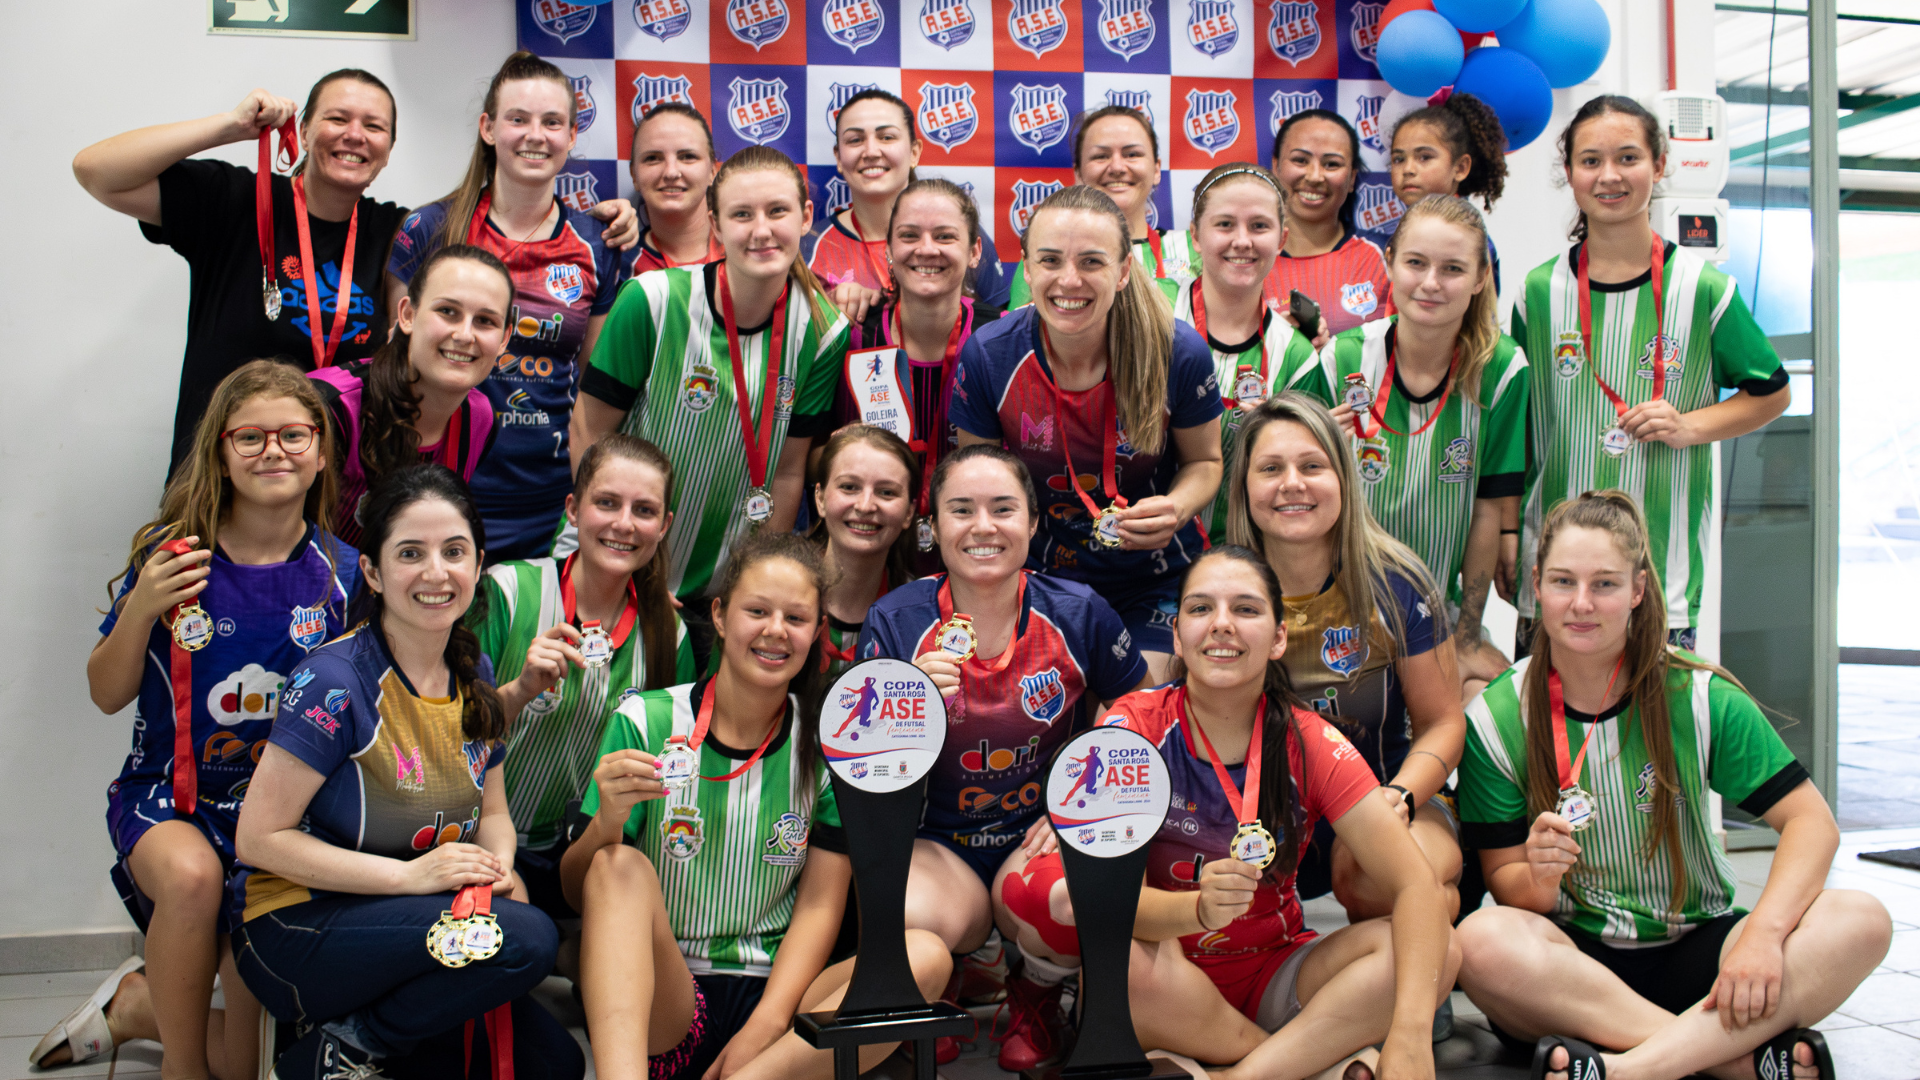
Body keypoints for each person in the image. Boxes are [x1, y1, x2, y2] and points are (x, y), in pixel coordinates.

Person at [1455, 490, 1889, 1080]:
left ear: (1637, 590)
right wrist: (1540, 873)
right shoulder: (1495, 718)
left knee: (1861, 919)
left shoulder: (1700, 696)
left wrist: (1761, 935)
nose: (1581, 604)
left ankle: (1626, 1070)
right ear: (1536, 585)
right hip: (1577, 965)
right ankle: (1728, 1061)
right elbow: (1514, 894)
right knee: (1482, 941)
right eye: (1562, 582)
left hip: (1703, 950)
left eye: (1605, 584)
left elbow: (1812, 824)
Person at [998, 546, 1459, 1080]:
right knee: (1114, 961)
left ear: (1279, 637)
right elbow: (1096, 904)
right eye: (1199, 609)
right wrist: (1196, 910)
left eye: (1245, 609)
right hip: (1168, 980)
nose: (1221, 625)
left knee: (1439, 951)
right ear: (1176, 635)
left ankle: (1231, 1075)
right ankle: (1299, 1063)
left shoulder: (1311, 740)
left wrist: (1409, 1038)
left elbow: (1416, 887)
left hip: (1278, 971)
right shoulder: (1135, 730)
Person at [35, 362, 356, 1079]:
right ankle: (180, 1064)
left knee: (245, 1068)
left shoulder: (346, 576)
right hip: (171, 800)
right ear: (220, 451)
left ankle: (143, 1010)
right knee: (192, 879)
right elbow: (105, 694)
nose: (273, 451)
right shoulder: (174, 561)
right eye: (250, 437)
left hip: (282, 816)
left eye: (293, 435)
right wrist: (143, 606)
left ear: (323, 451)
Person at [71, 74, 635, 475]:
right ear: (306, 128)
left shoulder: (399, 232)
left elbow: (492, 262)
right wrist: (230, 125)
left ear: (389, 148)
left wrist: (612, 221)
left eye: (374, 126)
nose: (355, 135)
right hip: (225, 472)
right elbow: (98, 172)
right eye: (337, 119)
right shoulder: (238, 202)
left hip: (340, 488)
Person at [233, 465, 583, 1080]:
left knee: (551, 1065)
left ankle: (346, 1049)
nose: (435, 573)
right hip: (300, 926)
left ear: (478, 564)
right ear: (372, 571)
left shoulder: (471, 676)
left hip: (412, 923)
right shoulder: (334, 680)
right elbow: (258, 838)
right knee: (528, 938)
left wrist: (495, 872)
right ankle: (349, 1046)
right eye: (410, 553)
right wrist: (412, 878)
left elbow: (495, 815)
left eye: (454, 552)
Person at [560, 532, 952, 1080]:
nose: (775, 631)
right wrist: (608, 820)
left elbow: (820, 905)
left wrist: (765, 1028)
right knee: (615, 863)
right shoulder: (644, 721)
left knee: (927, 955)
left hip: (779, 1009)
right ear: (719, 616)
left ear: (817, 631)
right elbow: (580, 890)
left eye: (796, 618)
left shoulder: (829, 742)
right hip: (667, 998)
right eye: (757, 611)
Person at [855, 444, 1149, 1070]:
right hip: (937, 842)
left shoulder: (1078, 610)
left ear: (1034, 522)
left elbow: (1140, 705)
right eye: (961, 510)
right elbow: (864, 767)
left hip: (1036, 835)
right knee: (899, 910)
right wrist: (903, 698)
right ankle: (947, 986)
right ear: (933, 527)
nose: (983, 527)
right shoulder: (895, 619)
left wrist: (1082, 800)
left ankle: (1034, 995)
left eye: (1003, 509)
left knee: (1075, 893)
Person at [1512, 96, 1791, 654]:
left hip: (1662, 579)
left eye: (1628, 158)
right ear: (1568, 174)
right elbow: (1512, 430)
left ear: (1659, 164)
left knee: (1658, 739)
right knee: (1548, 739)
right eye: (1590, 161)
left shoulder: (1704, 290)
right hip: (1555, 580)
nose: (1609, 175)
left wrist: (1689, 426)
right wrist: (1500, 538)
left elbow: (1772, 394)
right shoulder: (1537, 293)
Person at [570, 147, 848, 648]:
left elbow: (786, 473)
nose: (761, 230)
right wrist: (619, 559)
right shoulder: (652, 300)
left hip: (720, 594)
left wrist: (751, 583)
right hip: (616, 567)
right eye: (742, 214)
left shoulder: (826, 332)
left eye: (777, 211)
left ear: (806, 217)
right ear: (715, 225)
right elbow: (589, 433)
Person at [951, 185, 1224, 682]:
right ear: (1027, 271)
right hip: (1040, 580)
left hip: (1156, 577)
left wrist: (1178, 507)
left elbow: (1205, 464)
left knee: (1135, 711)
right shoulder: (991, 355)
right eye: (1050, 260)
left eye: (1092, 262)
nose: (1068, 280)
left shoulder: (1177, 351)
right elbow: (977, 493)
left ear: (1123, 272)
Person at [1226, 394, 1464, 925]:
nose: (1292, 483)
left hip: (1391, 794)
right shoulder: (1222, 588)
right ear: (1243, 487)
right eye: (1270, 468)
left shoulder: (1397, 581)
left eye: (1313, 466)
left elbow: (1444, 723)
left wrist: (1398, 798)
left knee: (1380, 877)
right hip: (1266, 816)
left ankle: (1426, 971)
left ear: (1344, 480)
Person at [388, 52, 629, 562]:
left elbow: (595, 394)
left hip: (548, 499)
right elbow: (394, 369)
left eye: (552, 122)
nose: (535, 135)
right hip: (437, 487)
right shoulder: (431, 229)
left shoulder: (597, 244)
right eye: (518, 119)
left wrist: (588, 495)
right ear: (489, 128)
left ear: (570, 136)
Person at [1295, 195, 1528, 702]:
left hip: (1434, 616)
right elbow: (1292, 489)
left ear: (1481, 277)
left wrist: (1467, 635)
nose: (1430, 283)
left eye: (1452, 269)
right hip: (1338, 610)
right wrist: (1310, 452)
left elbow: (1489, 509)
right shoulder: (1344, 357)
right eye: (1416, 263)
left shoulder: (1504, 370)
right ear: (1391, 265)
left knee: (1490, 707)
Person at [472, 433, 694, 921]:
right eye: (607, 503)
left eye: (644, 510)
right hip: (486, 841)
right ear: (573, 509)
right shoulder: (511, 592)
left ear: (665, 526)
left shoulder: (668, 634)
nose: (623, 524)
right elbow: (444, 740)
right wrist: (519, 690)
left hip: (591, 853)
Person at [831, 177, 1003, 542]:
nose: (926, 249)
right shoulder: (854, 335)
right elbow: (807, 461)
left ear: (974, 251)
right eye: (909, 236)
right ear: (889, 250)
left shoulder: (1000, 340)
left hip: (974, 540)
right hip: (872, 540)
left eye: (944, 237)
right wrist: (839, 452)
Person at [1155, 163, 1319, 541]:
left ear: (1282, 239)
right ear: (1195, 235)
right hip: (1142, 554)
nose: (1242, 241)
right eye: (1225, 224)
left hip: (1243, 559)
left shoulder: (1296, 356)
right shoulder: (1153, 308)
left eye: (1259, 226)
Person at [312, 244, 510, 550]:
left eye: (485, 321)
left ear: (504, 340)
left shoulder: (479, 418)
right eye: (447, 311)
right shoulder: (330, 407)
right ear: (407, 315)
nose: (464, 335)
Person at [806, 89, 1011, 319]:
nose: (871, 151)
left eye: (887, 137)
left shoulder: (957, 232)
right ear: (839, 158)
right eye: (855, 140)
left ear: (914, 152)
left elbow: (1001, 330)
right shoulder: (809, 247)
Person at [1007, 105, 1190, 308]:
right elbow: (1019, 336)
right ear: (1078, 173)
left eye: (1132, 154)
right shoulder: (1046, 258)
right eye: (1100, 156)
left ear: (1156, 169)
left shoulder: (1192, 250)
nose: (1117, 167)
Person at [1267, 110, 1392, 338]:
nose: (1315, 176)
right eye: (1300, 160)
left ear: (1352, 178)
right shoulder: (1250, 259)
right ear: (1276, 167)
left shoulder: (1386, 256)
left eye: (1331, 164)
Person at [809, 426, 919, 679]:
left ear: (909, 513)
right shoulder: (773, 593)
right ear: (820, 498)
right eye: (849, 487)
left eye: (886, 492)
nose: (866, 505)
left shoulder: (919, 613)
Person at [1388, 90, 1509, 292]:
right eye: (1398, 159)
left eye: (1424, 157)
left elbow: (1484, 318)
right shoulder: (1397, 236)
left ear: (1460, 168)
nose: (1408, 170)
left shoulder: (1472, 240)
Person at [626, 103, 724, 274]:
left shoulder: (745, 252)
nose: (671, 172)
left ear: (712, 171)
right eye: (653, 158)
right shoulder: (616, 266)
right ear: (634, 174)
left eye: (688, 157)